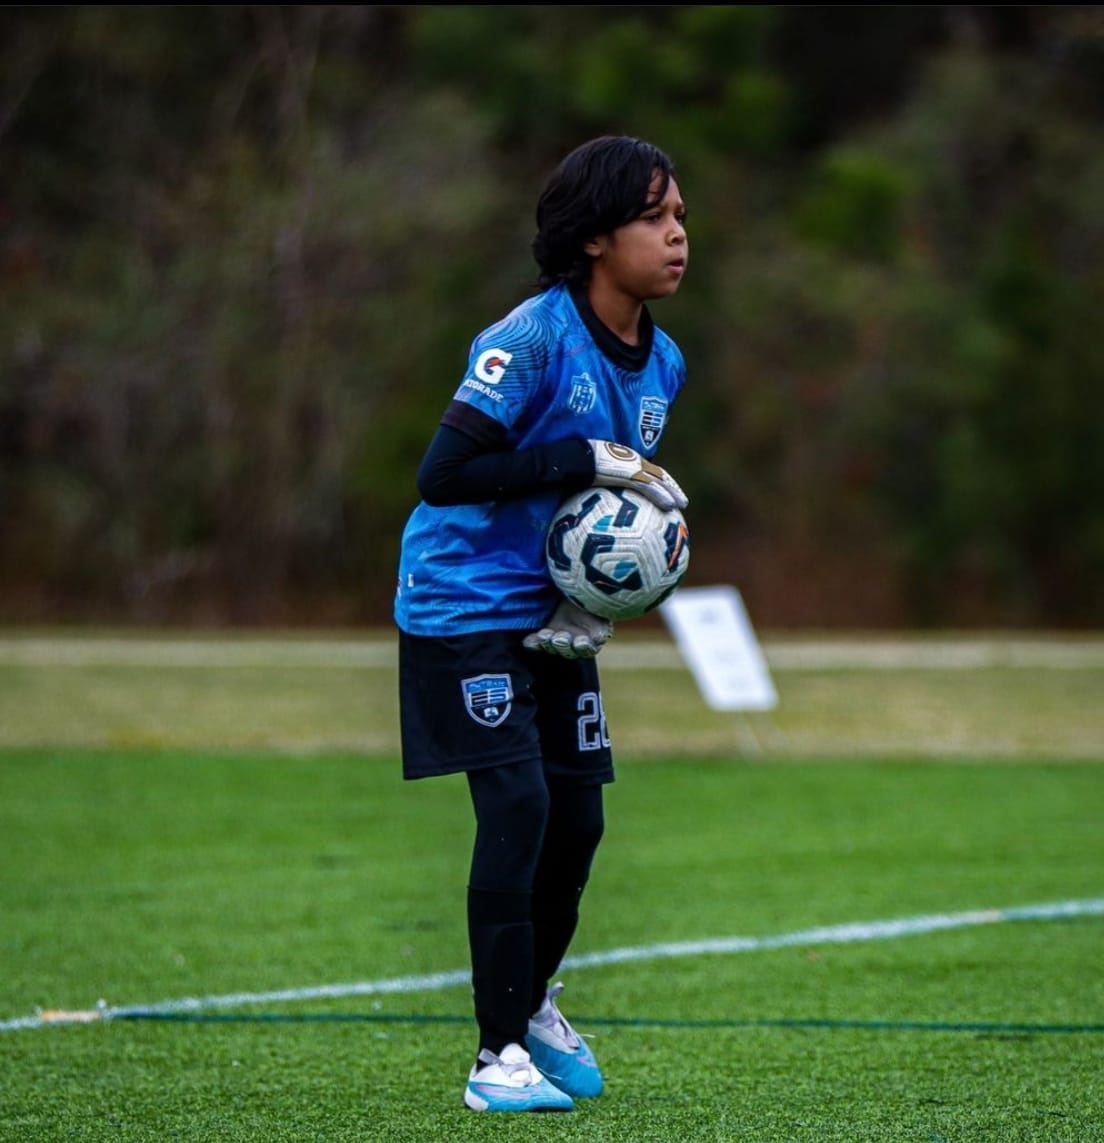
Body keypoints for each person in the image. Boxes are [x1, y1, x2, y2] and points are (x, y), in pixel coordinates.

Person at [393, 134, 690, 1113]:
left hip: (549, 619)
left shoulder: (666, 365)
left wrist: (592, 601)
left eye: (681, 215)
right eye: (656, 217)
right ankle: (494, 1061)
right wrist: (576, 454)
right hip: (463, 606)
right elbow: (445, 475)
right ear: (598, 237)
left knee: (581, 820)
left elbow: (608, 529)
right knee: (517, 807)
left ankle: (529, 1005)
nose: (679, 234)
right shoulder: (526, 341)